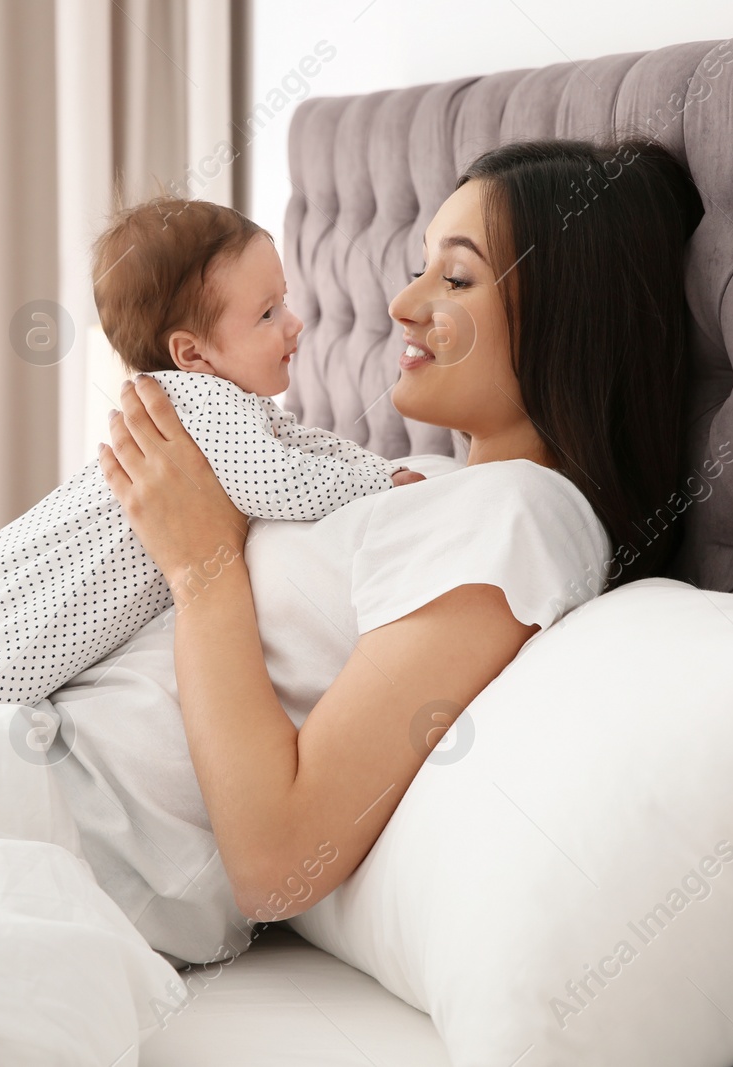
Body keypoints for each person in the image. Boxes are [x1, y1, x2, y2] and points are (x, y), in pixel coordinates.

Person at [94, 136, 702, 928]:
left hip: (84, 818)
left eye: (455, 276)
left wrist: (201, 567)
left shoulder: (519, 519)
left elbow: (278, 863)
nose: (402, 303)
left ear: (567, 313)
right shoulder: (438, 483)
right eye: (422, 266)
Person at [0, 197, 422, 724]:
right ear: (192, 353)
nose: (295, 323)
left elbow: (300, 445)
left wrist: (378, 472)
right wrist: (376, 480)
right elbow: (276, 478)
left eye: (286, 299)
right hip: (16, 597)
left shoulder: (222, 405)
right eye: (269, 312)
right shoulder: (198, 403)